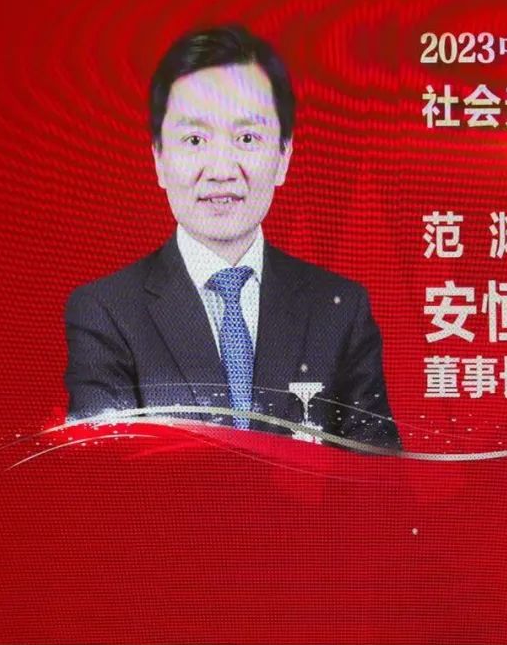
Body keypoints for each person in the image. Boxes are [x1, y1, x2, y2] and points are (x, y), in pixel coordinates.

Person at [63, 24, 400, 451]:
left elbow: (380, 476)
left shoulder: (340, 310)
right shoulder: (106, 312)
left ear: (283, 156)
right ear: (159, 159)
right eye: (195, 139)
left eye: (246, 138)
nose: (221, 170)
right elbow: (101, 473)